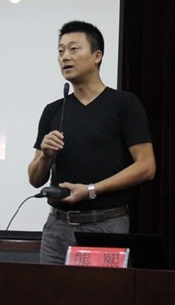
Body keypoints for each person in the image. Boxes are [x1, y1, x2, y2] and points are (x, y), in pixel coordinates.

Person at [28, 20, 156, 264]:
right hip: (57, 228)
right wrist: (45, 155)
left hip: (105, 224)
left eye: (74, 49)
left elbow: (146, 166)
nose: (65, 56)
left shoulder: (124, 104)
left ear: (97, 56)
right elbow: (35, 179)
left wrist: (90, 190)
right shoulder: (53, 110)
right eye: (60, 51)